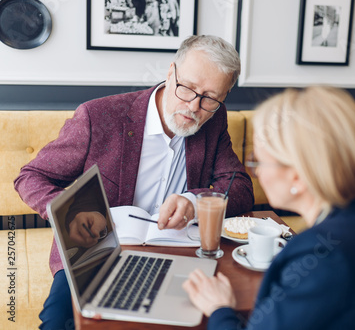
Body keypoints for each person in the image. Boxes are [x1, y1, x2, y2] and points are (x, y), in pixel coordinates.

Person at [14, 34, 254, 330]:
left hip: (178, 251)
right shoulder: (99, 116)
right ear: (170, 73)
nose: (194, 107)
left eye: (210, 98)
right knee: (56, 323)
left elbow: (239, 186)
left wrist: (193, 202)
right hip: (96, 251)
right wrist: (70, 213)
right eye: (187, 89)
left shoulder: (214, 120)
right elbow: (31, 176)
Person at [182, 86, 355, 329]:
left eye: (259, 161)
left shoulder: (323, 256)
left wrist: (219, 309)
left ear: (298, 177)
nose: (256, 174)